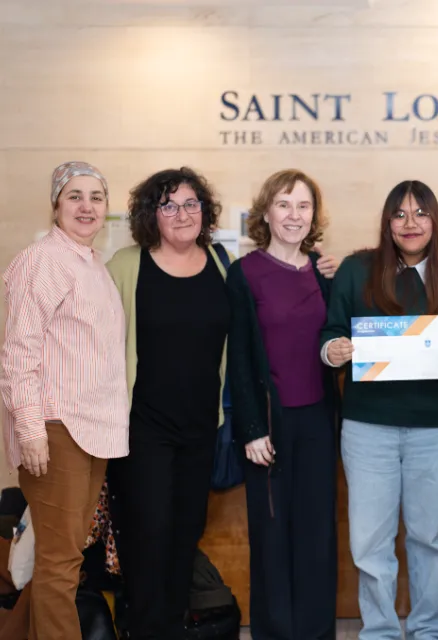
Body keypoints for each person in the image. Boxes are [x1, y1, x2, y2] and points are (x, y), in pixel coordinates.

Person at [320, 180, 438, 640]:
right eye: (399, 214)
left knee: (430, 539)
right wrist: (334, 350)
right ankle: (379, 631)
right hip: (367, 429)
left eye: (421, 213)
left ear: (435, 221)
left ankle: (428, 629)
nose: (410, 223)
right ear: (386, 222)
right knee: (370, 542)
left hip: (432, 430)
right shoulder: (356, 271)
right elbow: (330, 331)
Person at [0, 161, 128, 640]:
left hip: (93, 429)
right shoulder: (43, 261)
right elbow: (17, 353)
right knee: (59, 560)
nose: (86, 206)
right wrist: (31, 431)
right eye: (75, 196)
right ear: (56, 204)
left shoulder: (90, 263)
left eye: (96, 197)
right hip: (56, 428)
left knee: (66, 555)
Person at [106, 167, 232, 639]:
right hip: (143, 431)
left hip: (201, 428)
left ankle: (171, 628)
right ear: (150, 214)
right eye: (169, 205)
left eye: (191, 203)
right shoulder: (125, 265)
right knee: (148, 541)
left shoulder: (222, 263)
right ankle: (146, 630)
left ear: (205, 211)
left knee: (184, 538)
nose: (183, 214)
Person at [226, 169, 340, 639]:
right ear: (266, 212)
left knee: (316, 537)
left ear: (314, 214)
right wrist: (250, 429)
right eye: (284, 204)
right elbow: (238, 357)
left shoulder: (326, 273)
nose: (294, 215)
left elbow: (337, 342)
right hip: (267, 428)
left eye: (303, 206)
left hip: (318, 421)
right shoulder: (243, 273)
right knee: (272, 539)